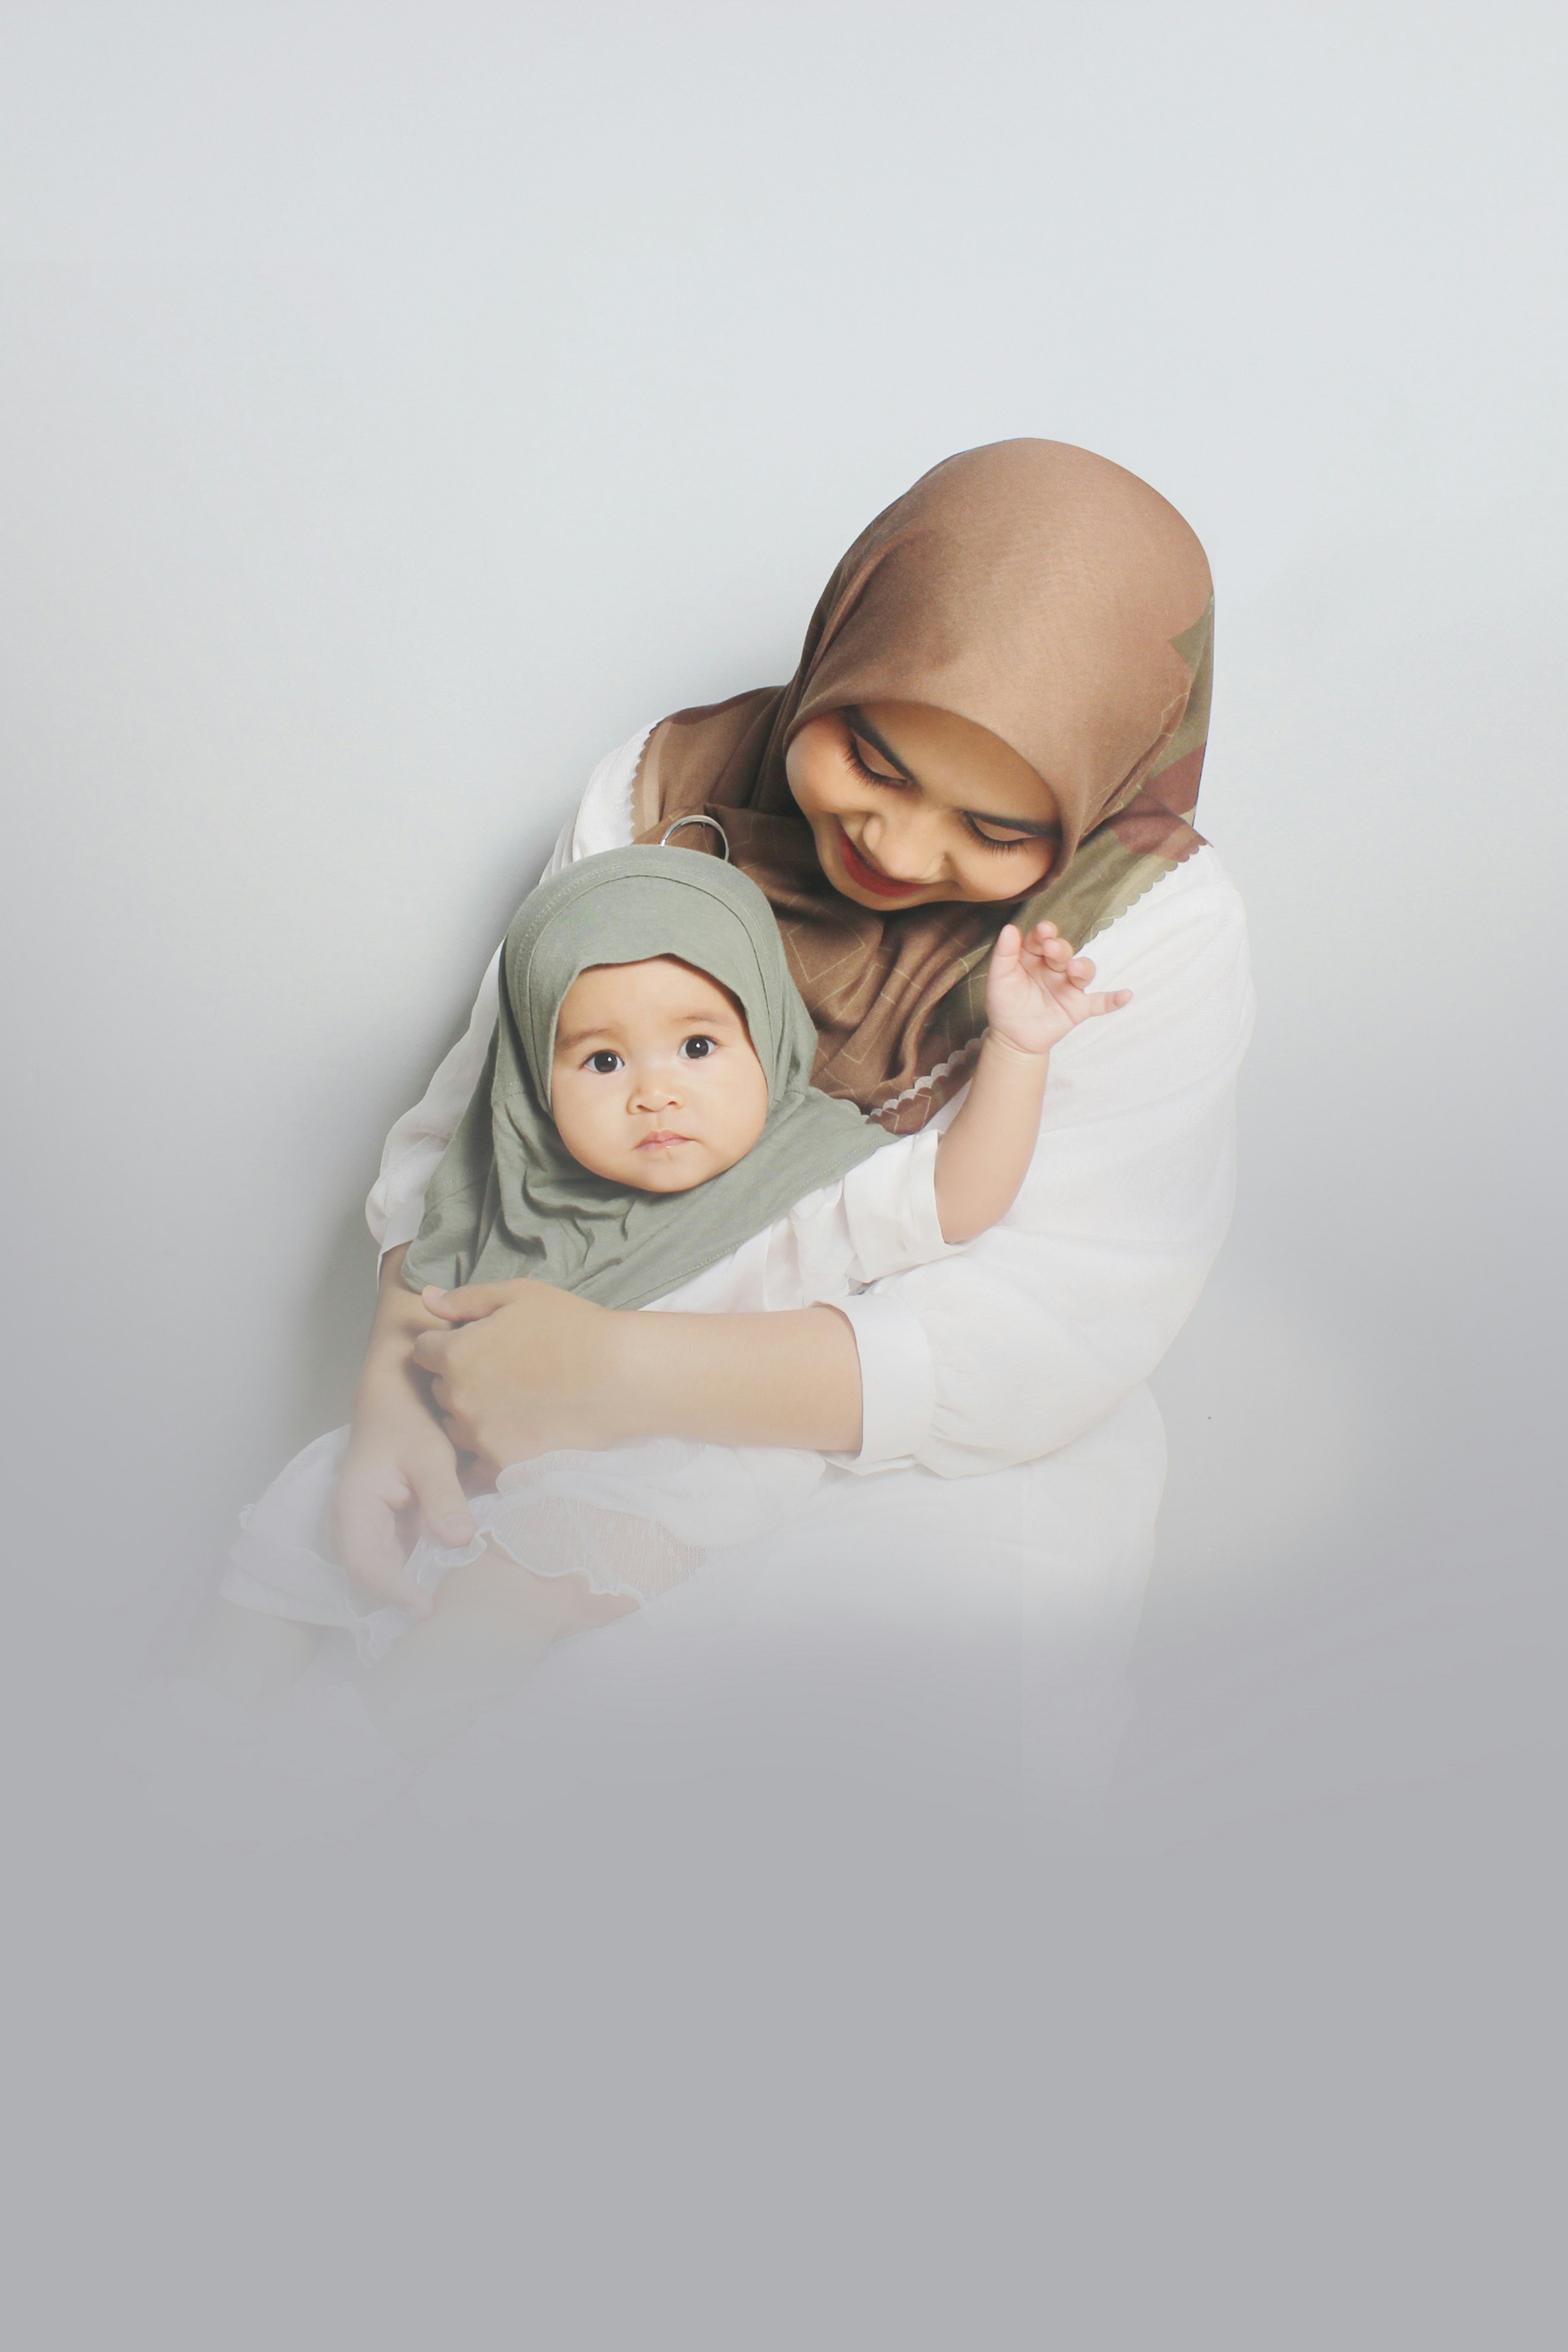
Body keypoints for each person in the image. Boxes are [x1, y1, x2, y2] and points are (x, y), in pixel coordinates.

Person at [174, 436, 1252, 1805]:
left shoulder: (1143, 931)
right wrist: (399, 1390)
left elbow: (1056, 1323)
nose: (899, 850)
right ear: (846, 639)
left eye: (994, 829)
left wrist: (623, 1371)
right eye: (869, 756)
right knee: (343, 1630)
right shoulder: (668, 792)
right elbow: (496, 1108)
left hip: (930, 1474)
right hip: (539, 1372)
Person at [203, 839, 1131, 1754]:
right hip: (486, 1442)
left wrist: (1018, 1048)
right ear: (532, 1084)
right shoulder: (515, 1185)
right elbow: (428, 1304)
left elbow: (959, 1197)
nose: (655, 1093)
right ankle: (205, 1718)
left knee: (512, 1583)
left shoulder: (805, 1187)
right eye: (604, 1062)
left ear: (766, 1038)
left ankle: (355, 1751)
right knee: (314, 1498)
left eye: (696, 1046)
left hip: (664, 1471)